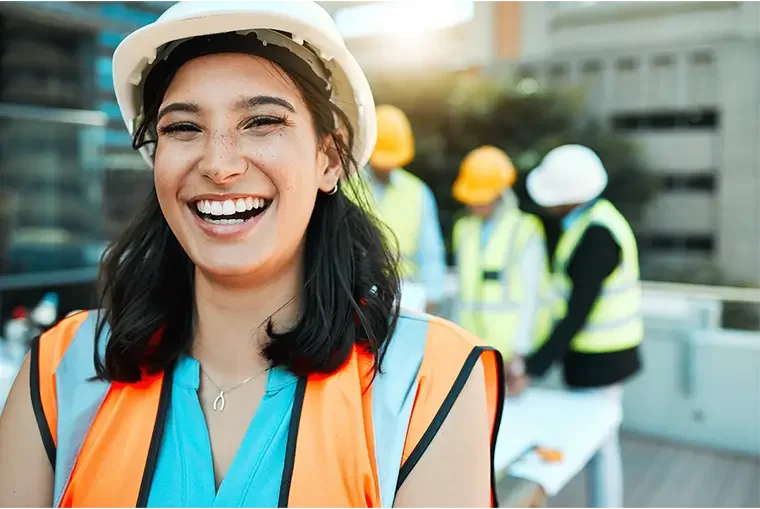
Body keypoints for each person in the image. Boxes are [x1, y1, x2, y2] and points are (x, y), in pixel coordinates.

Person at [0, 1, 505, 507]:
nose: (219, 164)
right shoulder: (60, 370)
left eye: (261, 121)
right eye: (183, 128)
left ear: (329, 159)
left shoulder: (426, 381)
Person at [507, 144, 644, 508]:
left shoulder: (596, 235)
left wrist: (531, 369)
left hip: (602, 361)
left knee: (595, 442)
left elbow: (575, 314)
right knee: (598, 442)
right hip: (598, 358)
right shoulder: (591, 221)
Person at [451, 146, 552, 373]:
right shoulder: (464, 229)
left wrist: (520, 353)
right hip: (470, 349)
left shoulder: (525, 229)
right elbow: (462, 294)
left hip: (510, 353)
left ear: (499, 193)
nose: (474, 203)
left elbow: (532, 295)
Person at [359, 104, 447, 314]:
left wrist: (433, 295)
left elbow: (430, 250)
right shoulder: (346, 185)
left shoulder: (417, 191)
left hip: (406, 294)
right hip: (353, 290)